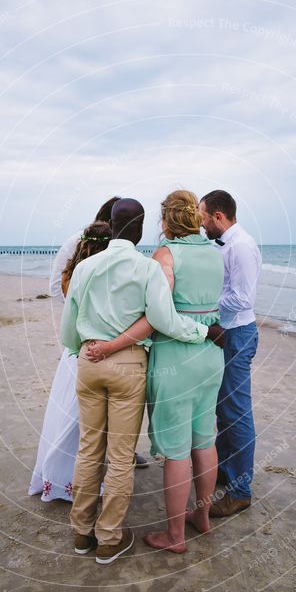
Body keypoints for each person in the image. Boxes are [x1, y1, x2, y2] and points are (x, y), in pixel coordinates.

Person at [61, 198, 224, 565]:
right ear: (138, 230)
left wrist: (86, 349)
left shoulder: (86, 267)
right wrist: (203, 332)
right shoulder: (145, 268)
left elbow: (67, 326)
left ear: (114, 226)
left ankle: (81, 533)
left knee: (89, 449)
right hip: (128, 365)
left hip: (89, 360)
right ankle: (109, 538)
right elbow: (163, 319)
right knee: (120, 455)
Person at [28, 220, 112, 502]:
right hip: (93, 350)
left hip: (72, 350)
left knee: (65, 416)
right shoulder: (104, 274)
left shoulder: (71, 275)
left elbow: (69, 322)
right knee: (88, 422)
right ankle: (79, 480)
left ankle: (59, 476)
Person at [199, 190, 262, 516]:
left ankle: (240, 491)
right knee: (224, 408)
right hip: (228, 333)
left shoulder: (240, 246)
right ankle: (225, 469)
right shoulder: (228, 244)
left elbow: (243, 298)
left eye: (204, 218)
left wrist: (202, 307)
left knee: (237, 413)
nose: (202, 224)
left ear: (218, 216)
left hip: (237, 334)